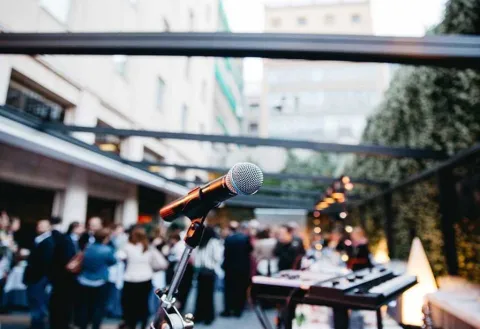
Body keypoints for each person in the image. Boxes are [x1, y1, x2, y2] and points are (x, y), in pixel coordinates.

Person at [119, 227, 168, 329]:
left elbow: (120, 257)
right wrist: (152, 268)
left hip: (130, 278)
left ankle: (131, 323)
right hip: (146, 278)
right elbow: (163, 263)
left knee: (129, 304)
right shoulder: (149, 248)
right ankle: (143, 323)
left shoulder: (127, 247)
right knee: (143, 303)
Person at [77, 228, 117, 329]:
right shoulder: (107, 250)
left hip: (84, 280)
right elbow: (112, 261)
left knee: (84, 306)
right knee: (98, 307)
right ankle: (95, 326)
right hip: (100, 281)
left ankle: (83, 325)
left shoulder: (88, 247)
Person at [23, 219, 54, 329]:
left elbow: (45, 262)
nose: (39, 227)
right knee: (35, 301)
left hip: (38, 277)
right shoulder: (39, 240)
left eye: (42, 225)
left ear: (49, 227)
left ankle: (37, 325)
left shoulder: (48, 242)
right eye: (38, 224)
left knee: (38, 302)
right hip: (35, 276)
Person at [49, 216, 77, 329]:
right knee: (61, 303)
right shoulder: (65, 239)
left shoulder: (65, 239)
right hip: (63, 277)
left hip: (61, 277)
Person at [221, 221, 253, 317]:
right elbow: (250, 251)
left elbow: (225, 254)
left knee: (228, 290)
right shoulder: (245, 239)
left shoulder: (228, 239)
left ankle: (228, 309)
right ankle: (238, 310)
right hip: (242, 269)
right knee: (240, 289)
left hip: (230, 268)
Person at [193, 226, 223, 325]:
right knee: (208, 295)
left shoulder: (200, 241)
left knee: (200, 295)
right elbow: (217, 257)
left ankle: (199, 315)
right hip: (210, 271)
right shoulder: (214, 242)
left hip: (200, 271)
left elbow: (196, 257)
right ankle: (208, 317)